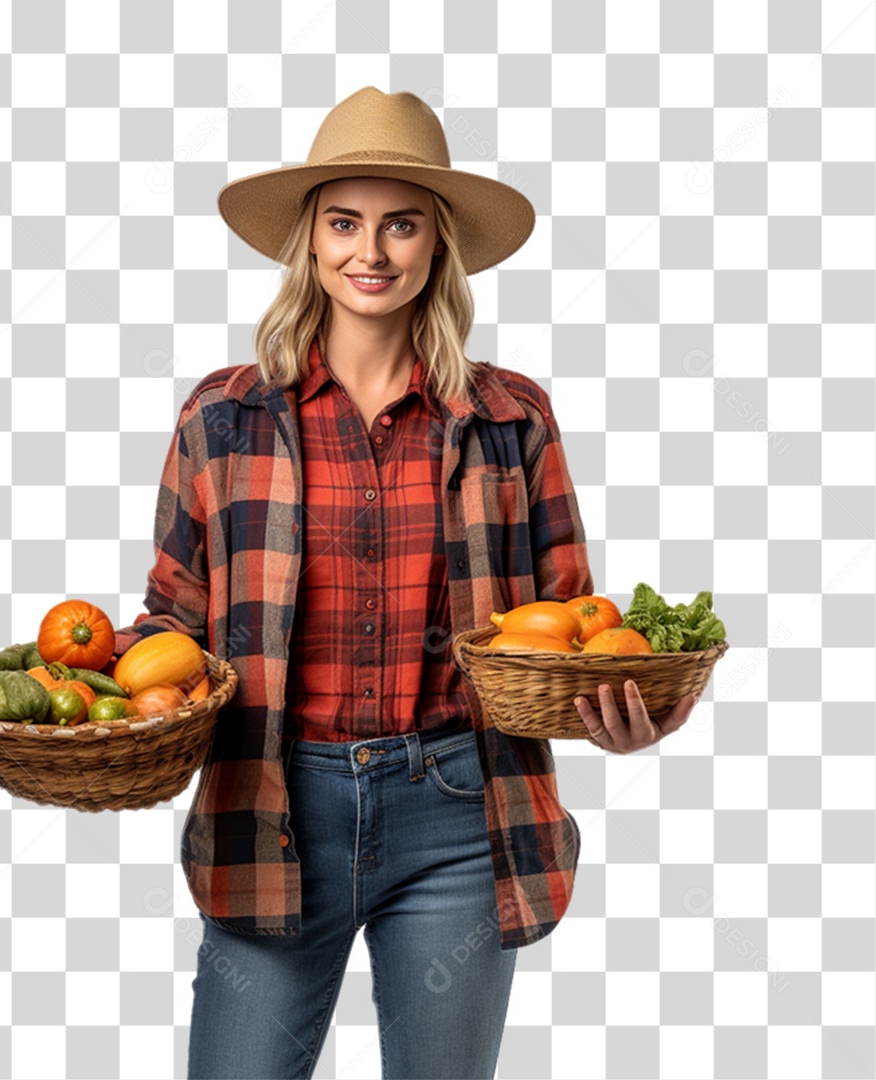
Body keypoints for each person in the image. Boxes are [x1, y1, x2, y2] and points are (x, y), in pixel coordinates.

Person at [112, 87, 696, 1080]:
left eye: (401, 224)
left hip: (459, 811)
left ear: (438, 245)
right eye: (344, 222)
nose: (370, 251)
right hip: (273, 804)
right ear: (310, 240)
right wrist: (104, 700)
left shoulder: (513, 420)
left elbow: (572, 629)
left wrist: (629, 706)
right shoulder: (223, 417)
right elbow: (173, 615)